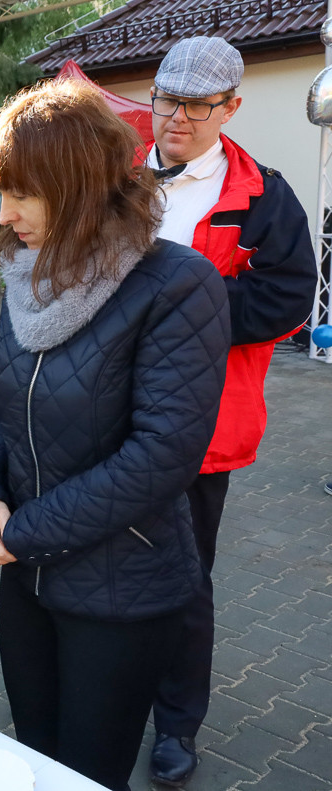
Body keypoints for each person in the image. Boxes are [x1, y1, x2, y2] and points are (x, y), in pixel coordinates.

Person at [0, 79, 231, 791]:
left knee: (88, 772)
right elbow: (4, 407)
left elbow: (160, 457)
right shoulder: (28, 272)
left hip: (122, 590)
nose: (5, 212)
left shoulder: (175, 285)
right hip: (30, 581)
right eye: (2, 190)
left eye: (22, 192)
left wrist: (21, 529)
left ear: (79, 185)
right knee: (36, 758)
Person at [145, 36, 318, 786]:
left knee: (183, 579)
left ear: (230, 108)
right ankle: (111, 700)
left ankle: (176, 725)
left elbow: (288, 296)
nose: (175, 117)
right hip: (100, 414)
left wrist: (181, 308)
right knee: (105, 566)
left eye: (196, 105)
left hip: (198, 424)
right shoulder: (113, 178)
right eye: (166, 99)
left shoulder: (264, 194)